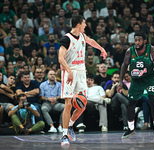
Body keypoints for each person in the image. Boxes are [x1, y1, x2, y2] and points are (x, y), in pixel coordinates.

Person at [117, 31, 154, 139]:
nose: (137, 42)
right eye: (135, 40)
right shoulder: (129, 51)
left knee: (153, 101)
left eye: (139, 40)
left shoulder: (153, 50)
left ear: (144, 41)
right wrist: (120, 81)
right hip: (136, 80)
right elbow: (124, 65)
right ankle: (131, 129)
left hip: (150, 78)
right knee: (131, 104)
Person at [58, 15, 107, 146]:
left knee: (82, 104)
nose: (86, 25)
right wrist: (68, 71)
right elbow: (60, 58)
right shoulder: (66, 39)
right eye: (84, 23)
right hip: (69, 72)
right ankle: (64, 136)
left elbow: (91, 41)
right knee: (68, 104)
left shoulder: (83, 36)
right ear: (78, 24)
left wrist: (101, 49)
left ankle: (70, 126)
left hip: (81, 73)